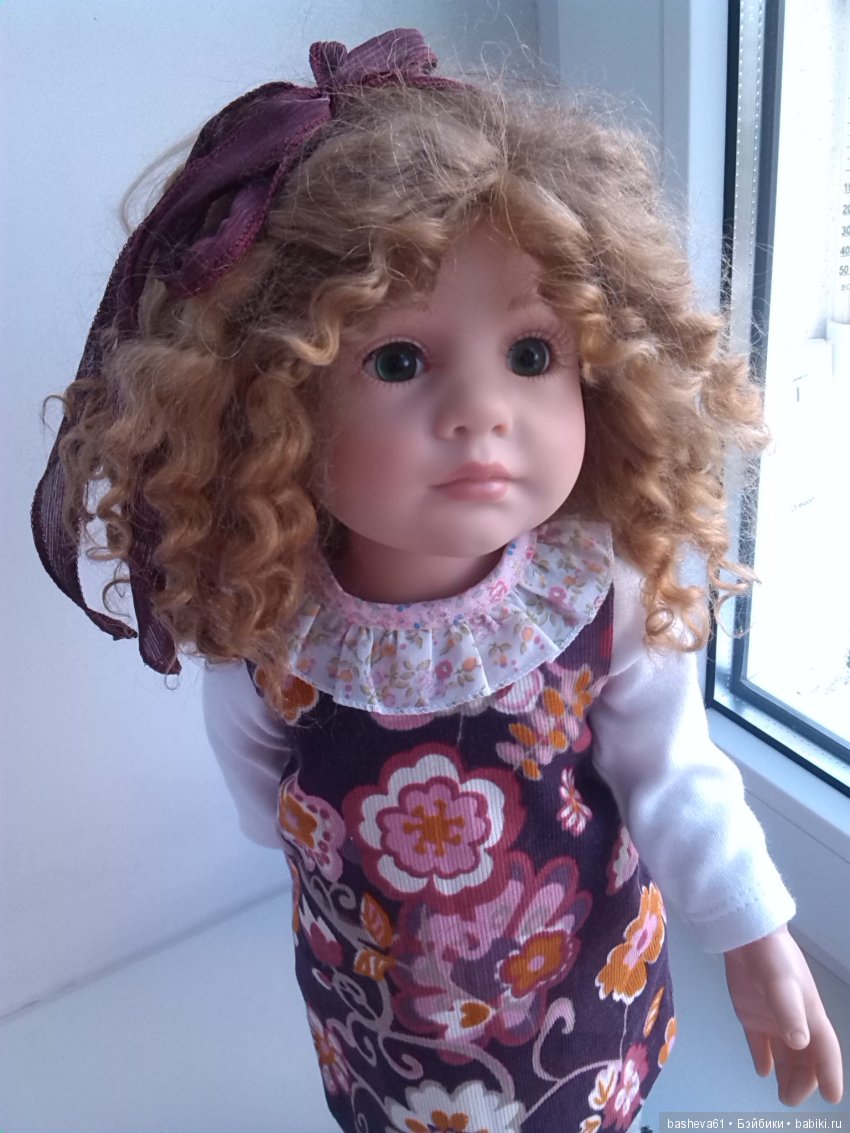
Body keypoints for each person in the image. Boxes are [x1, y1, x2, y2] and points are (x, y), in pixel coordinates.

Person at [31, 28, 843, 1133]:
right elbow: (258, 786)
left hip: (578, 994)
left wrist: (751, 929)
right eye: (399, 360)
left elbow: (673, 772)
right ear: (272, 406)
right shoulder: (278, 617)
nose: (480, 412)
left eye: (531, 354)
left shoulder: (593, 593)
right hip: (380, 1017)